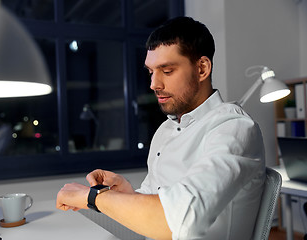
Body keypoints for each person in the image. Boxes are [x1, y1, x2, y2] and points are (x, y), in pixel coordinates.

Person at [56, 16, 265, 240]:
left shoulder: (234, 129)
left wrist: (91, 198)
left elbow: (179, 221)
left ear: (202, 68)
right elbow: (156, 198)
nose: (154, 84)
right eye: (150, 72)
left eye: (166, 71)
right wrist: (126, 191)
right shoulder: (165, 130)